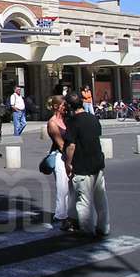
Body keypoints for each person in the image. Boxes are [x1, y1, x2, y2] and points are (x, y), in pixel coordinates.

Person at [64, 91, 110, 237]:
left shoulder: (72, 121)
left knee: (83, 201)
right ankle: (104, 227)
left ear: (70, 106)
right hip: (97, 163)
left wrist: (68, 163)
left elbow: (71, 146)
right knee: (100, 199)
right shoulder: (93, 118)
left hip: (82, 166)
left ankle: (87, 230)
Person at [46, 95, 77, 231]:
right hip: (60, 155)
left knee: (71, 186)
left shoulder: (67, 118)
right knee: (62, 185)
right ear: (56, 106)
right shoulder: (52, 123)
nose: (66, 107)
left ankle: (69, 215)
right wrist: (69, 159)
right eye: (64, 104)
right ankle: (60, 215)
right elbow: (60, 144)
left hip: (69, 154)